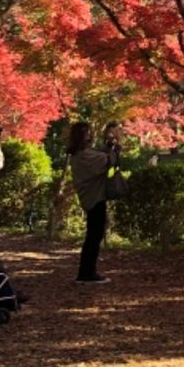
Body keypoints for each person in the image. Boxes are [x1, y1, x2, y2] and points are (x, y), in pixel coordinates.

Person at [69, 121, 115, 284]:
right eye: (87, 133)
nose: (90, 135)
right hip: (94, 198)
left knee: (93, 235)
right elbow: (107, 160)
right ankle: (87, 273)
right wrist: (115, 147)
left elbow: (101, 155)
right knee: (94, 236)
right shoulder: (84, 155)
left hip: (91, 197)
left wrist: (110, 144)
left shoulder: (79, 153)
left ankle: (87, 271)